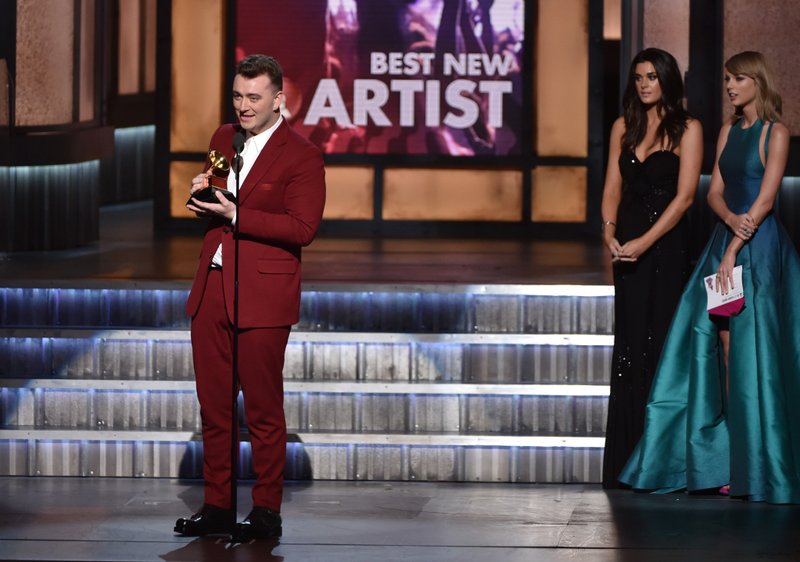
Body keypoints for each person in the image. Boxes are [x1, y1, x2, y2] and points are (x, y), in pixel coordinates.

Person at [619, 51, 800, 503]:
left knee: (756, 351)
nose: (730, 87)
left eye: (738, 79)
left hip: (758, 250)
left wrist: (738, 242)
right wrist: (728, 228)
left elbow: (767, 198)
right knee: (722, 347)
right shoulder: (725, 132)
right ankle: (732, 459)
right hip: (725, 246)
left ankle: (761, 464)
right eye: (727, 80)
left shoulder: (774, 133)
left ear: (758, 81)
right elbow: (714, 192)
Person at [174, 54, 326, 539]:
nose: (243, 106)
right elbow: (219, 195)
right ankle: (217, 505)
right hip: (213, 288)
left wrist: (236, 213)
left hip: (262, 294)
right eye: (238, 96)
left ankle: (265, 511)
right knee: (214, 408)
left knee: (262, 410)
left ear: (278, 99)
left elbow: (303, 228)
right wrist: (205, 196)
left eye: (254, 98)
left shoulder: (302, 156)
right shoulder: (224, 138)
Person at [600, 48, 702, 488]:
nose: (644, 84)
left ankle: (661, 462)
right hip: (627, 252)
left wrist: (645, 241)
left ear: (667, 81)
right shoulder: (623, 127)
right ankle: (626, 459)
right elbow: (610, 189)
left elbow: (685, 199)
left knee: (661, 348)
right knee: (628, 351)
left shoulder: (688, 129)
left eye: (652, 77)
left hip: (665, 250)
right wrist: (609, 232)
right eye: (639, 77)